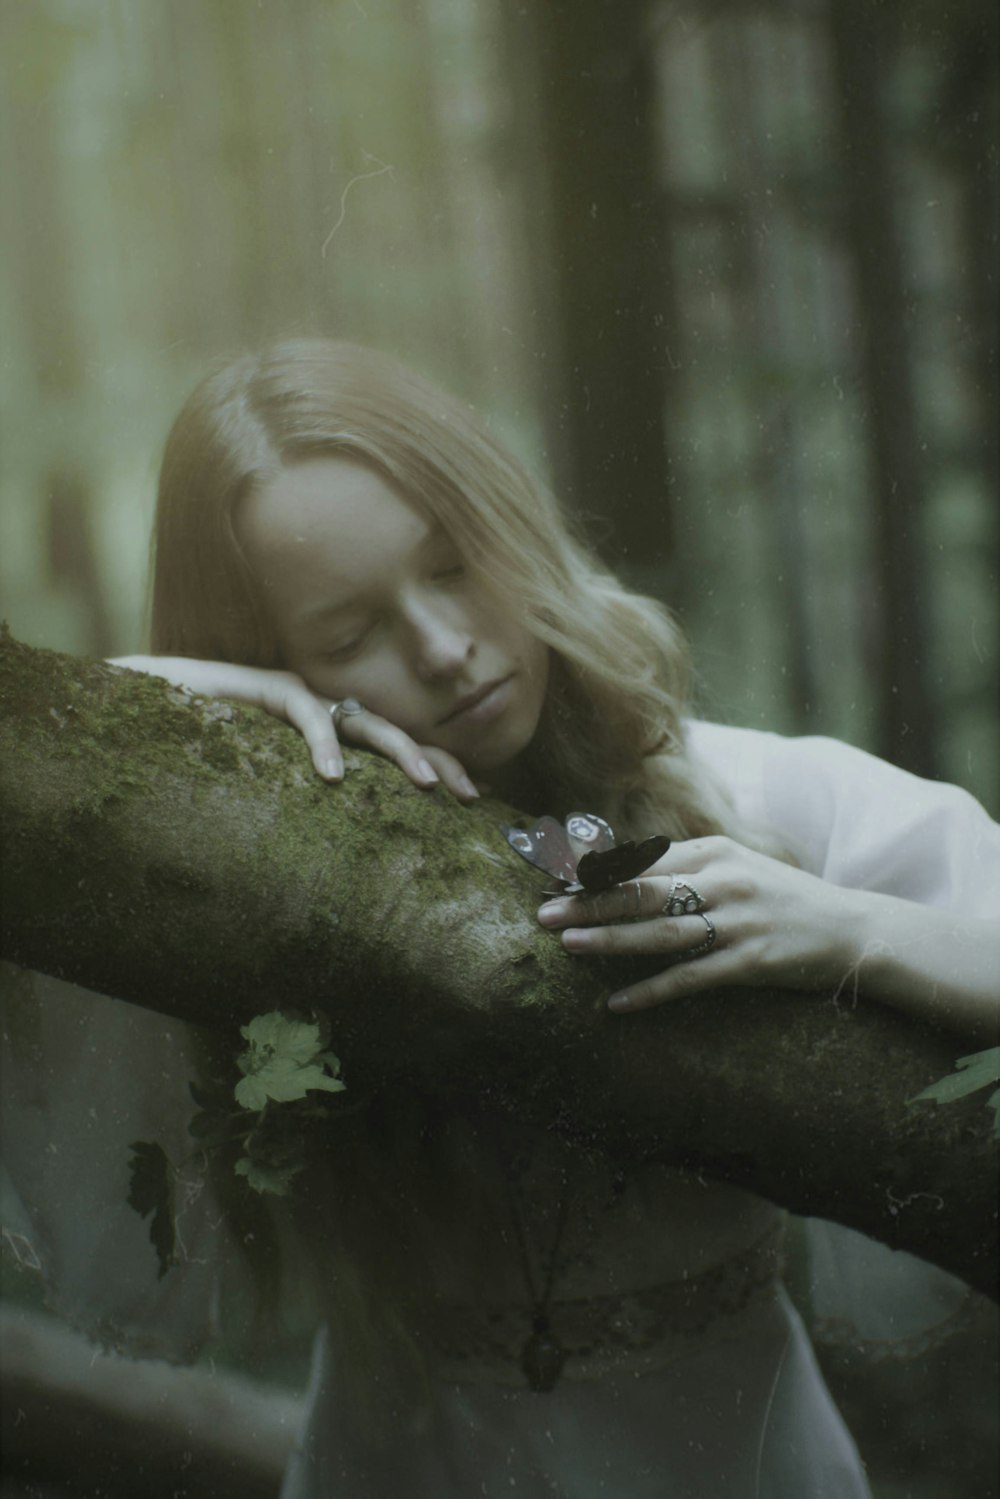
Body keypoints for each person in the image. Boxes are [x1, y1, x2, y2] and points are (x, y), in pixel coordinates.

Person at [8, 337, 999, 1497]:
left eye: (449, 564)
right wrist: (201, 707)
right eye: (344, 636)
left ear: (506, 521)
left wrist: (848, 928)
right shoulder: (241, 879)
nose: (442, 648)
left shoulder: (754, 801)